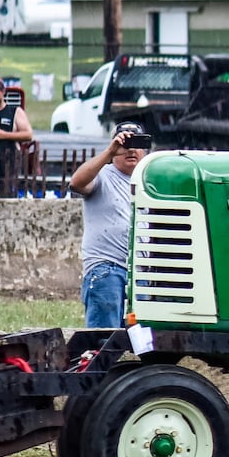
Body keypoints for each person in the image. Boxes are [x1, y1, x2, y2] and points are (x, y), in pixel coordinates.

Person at [68, 121, 150, 328]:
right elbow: (76, 183)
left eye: (137, 143)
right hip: (107, 268)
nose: (131, 150)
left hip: (141, 272)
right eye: (125, 144)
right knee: (103, 340)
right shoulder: (102, 175)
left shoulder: (150, 181)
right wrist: (109, 151)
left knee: (145, 341)